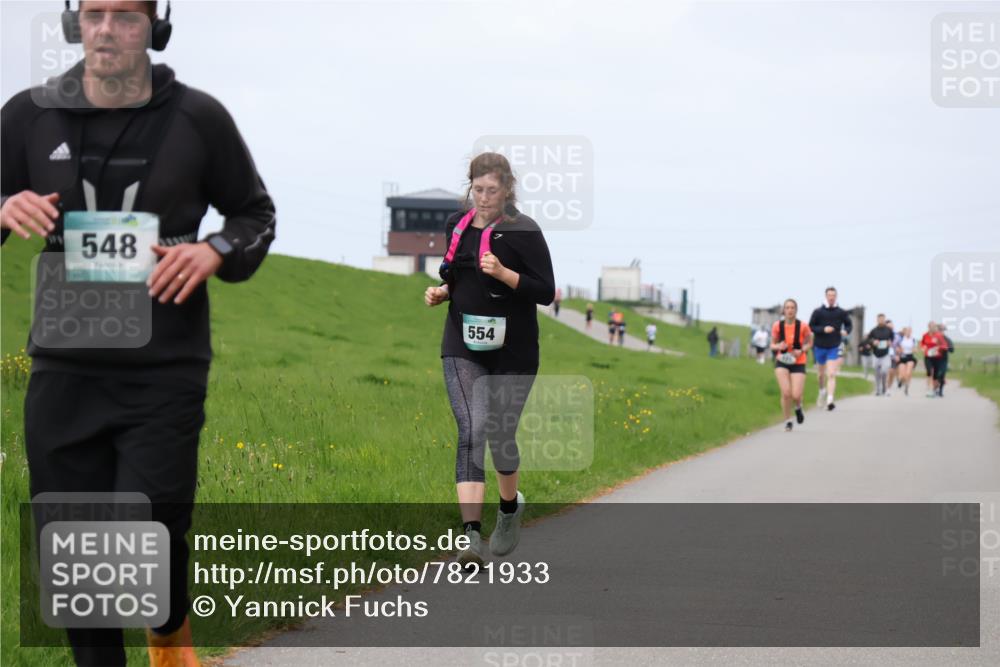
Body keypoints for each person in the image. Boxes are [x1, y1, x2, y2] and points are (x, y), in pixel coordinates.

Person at [1, 3, 276, 665]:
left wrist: (214, 249)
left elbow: (254, 213)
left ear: (155, 26)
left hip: (164, 365)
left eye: (126, 15)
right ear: (75, 24)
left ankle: (167, 629)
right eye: (95, 13)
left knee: (150, 528)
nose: (107, 28)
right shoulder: (27, 115)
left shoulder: (198, 118)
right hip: (63, 367)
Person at [424, 152, 554, 569]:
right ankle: (469, 538)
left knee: (499, 435)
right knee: (472, 429)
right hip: (462, 342)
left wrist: (504, 274)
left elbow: (545, 290)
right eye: (477, 190)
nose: (483, 198)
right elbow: (459, 274)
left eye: (491, 191)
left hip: (514, 348)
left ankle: (510, 507)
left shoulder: (525, 231)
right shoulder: (456, 226)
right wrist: (443, 292)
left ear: (507, 189)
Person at [770, 299, 813, 432]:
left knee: (796, 394)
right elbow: (772, 344)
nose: (790, 310)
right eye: (787, 307)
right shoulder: (777, 326)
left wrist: (802, 350)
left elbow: (809, 343)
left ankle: (798, 407)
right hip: (782, 360)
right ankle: (788, 421)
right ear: (784, 310)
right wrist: (778, 346)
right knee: (786, 392)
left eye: (792, 307)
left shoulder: (803, 326)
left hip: (798, 361)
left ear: (796, 310)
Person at [808, 286, 853, 411]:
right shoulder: (818, 312)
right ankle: (822, 391)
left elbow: (849, 324)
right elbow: (811, 327)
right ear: (826, 296)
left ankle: (830, 399)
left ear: (836, 297)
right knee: (821, 375)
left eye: (834, 295)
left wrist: (846, 331)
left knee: (831, 374)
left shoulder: (841, 312)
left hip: (834, 346)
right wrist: (823, 329)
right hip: (820, 346)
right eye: (830, 295)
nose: (832, 297)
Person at [865, 314, 895, 396]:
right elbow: (868, 339)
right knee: (877, 372)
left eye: (883, 319)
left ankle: (884, 386)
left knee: (884, 371)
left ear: (884, 320)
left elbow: (892, 338)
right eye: (880, 319)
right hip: (876, 354)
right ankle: (878, 388)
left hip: (885, 354)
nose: (881, 320)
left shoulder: (888, 330)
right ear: (877, 320)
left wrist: (890, 342)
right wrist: (873, 342)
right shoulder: (874, 330)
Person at [920, 322, 948, 397]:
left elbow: (944, 345)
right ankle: (928, 389)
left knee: (935, 375)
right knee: (929, 372)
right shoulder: (925, 335)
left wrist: (938, 348)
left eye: (934, 326)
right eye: (931, 326)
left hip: (937, 357)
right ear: (928, 327)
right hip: (928, 356)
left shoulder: (938, 336)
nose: (933, 328)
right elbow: (922, 343)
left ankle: (934, 389)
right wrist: (923, 347)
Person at [896, 326, 917, 396]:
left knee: (908, 373)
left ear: (911, 332)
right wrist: (899, 351)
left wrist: (914, 350)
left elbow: (915, 349)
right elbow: (897, 348)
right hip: (902, 357)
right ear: (905, 332)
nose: (908, 332)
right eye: (907, 331)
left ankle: (906, 388)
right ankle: (901, 381)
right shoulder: (901, 339)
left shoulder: (913, 339)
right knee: (902, 375)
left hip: (910, 357)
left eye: (910, 331)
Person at [937, 324, 955, 397]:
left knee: (942, 374)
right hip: (934, 359)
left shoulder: (947, 339)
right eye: (940, 330)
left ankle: (940, 390)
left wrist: (945, 348)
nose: (941, 332)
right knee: (935, 375)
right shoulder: (934, 338)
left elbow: (952, 349)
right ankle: (934, 389)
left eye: (942, 330)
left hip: (943, 360)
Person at [885, 319, 899, 395]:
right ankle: (885, 387)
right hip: (884, 355)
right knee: (886, 372)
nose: (891, 327)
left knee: (892, 373)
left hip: (893, 356)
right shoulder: (883, 334)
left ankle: (889, 388)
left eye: (892, 326)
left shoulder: (897, 336)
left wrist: (898, 354)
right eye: (889, 327)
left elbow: (899, 346)